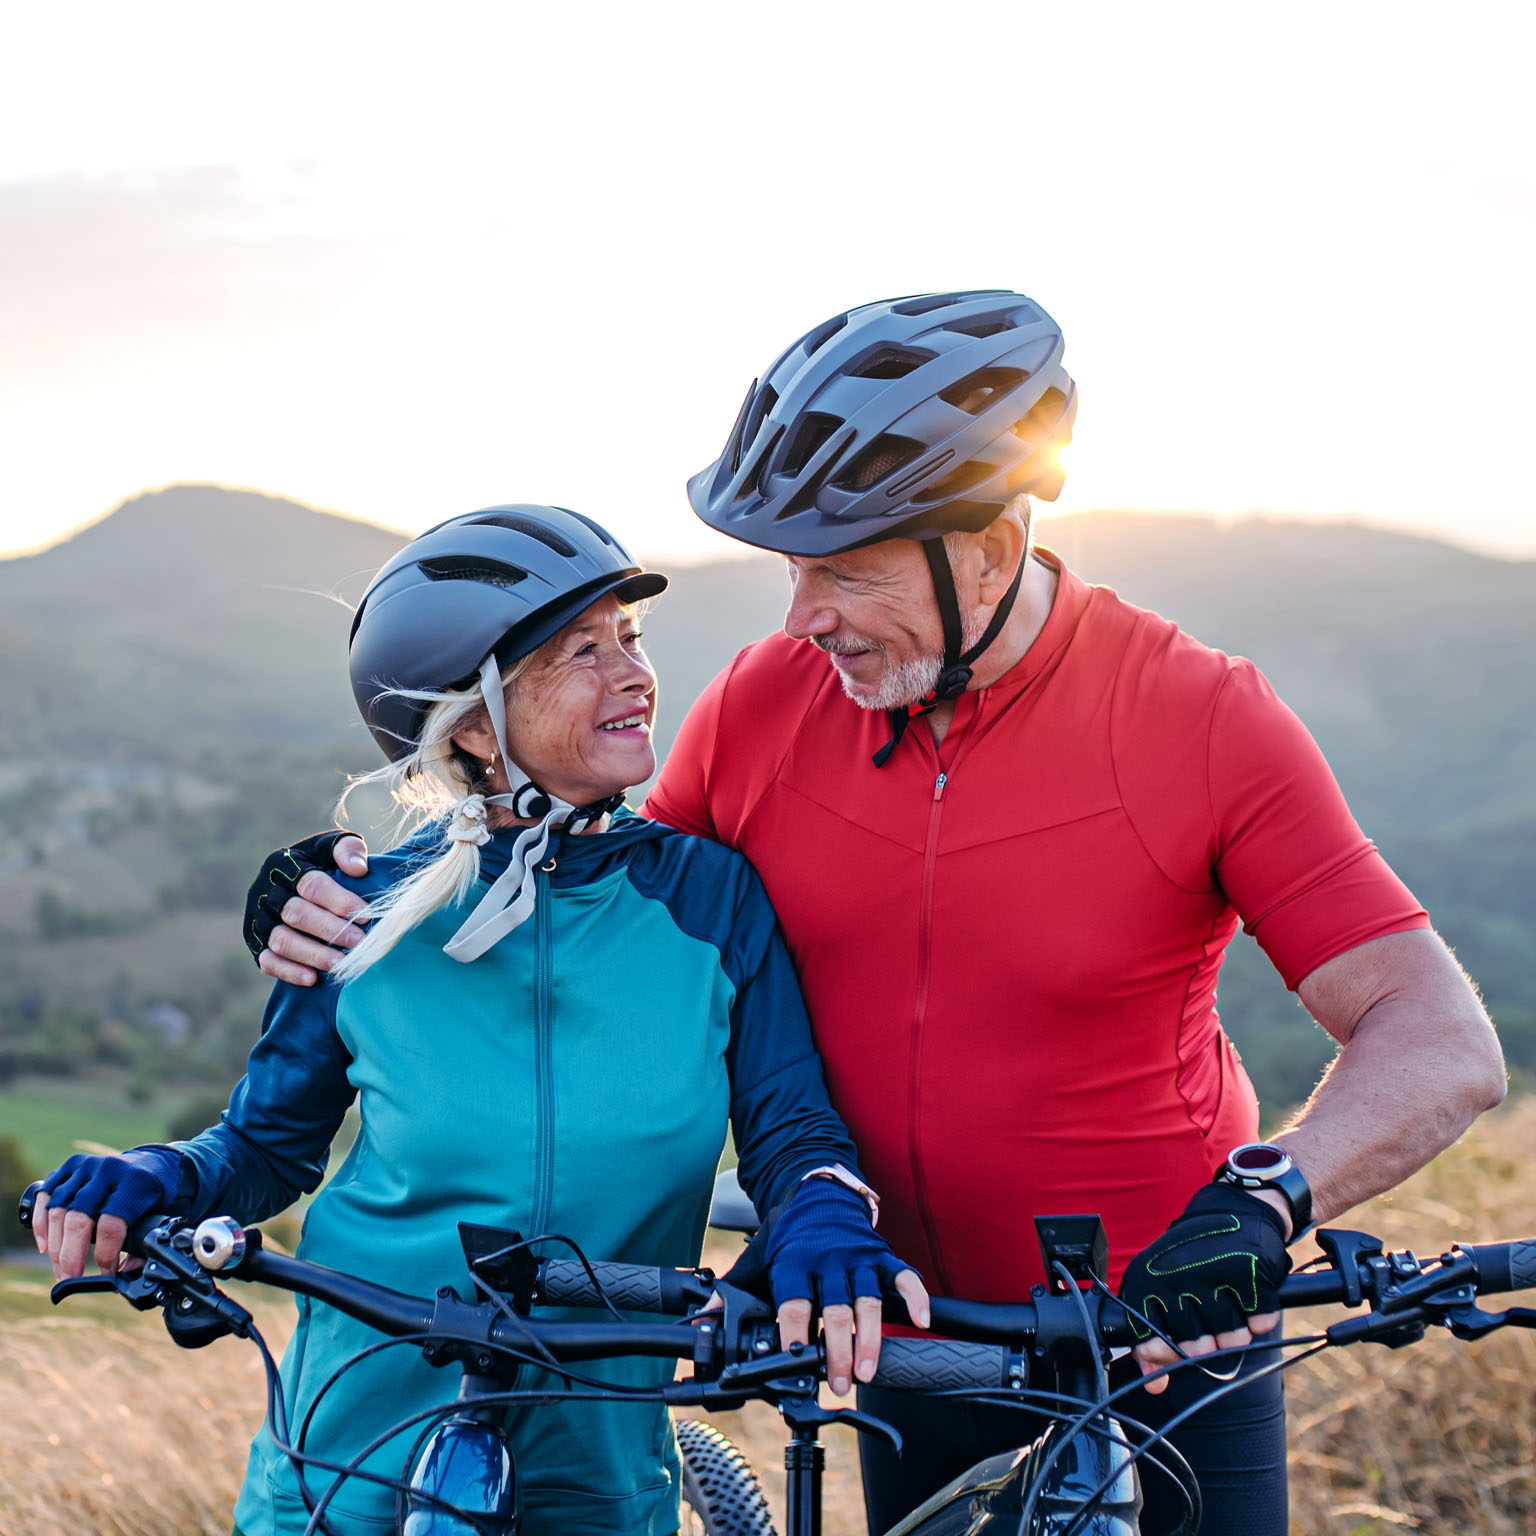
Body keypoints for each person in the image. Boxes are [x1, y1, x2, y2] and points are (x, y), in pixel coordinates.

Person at [244, 294, 1506, 1534]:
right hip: (902, 1345)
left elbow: (1437, 1036)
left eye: (842, 572)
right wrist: (359, 887)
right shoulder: (765, 701)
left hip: (1153, 1343)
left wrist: (1265, 1204)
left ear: (991, 552)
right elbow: (603, 906)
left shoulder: (1200, 717)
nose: (802, 619)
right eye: (793, 570)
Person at [31, 505, 927, 1536]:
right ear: (471, 723)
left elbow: (789, 1127)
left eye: (630, 640)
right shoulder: (356, 911)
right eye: (581, 653)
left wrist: (823, 1211)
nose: (634, 674)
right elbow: (267, 1149)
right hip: (348, 1456)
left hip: (598, 1470)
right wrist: (163, 1176)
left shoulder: (710, 901)